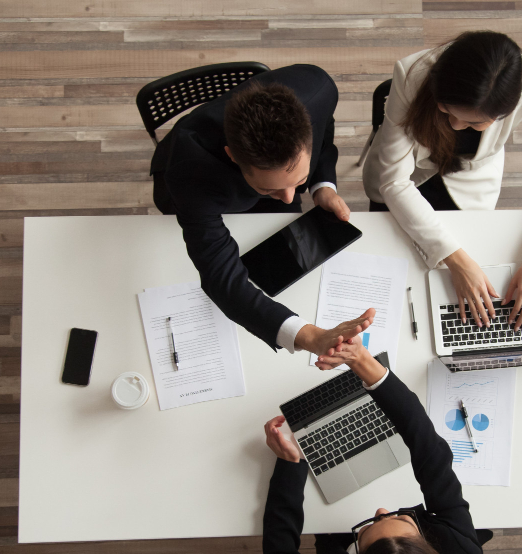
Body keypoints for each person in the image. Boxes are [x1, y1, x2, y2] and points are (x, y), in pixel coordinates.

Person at [260, 337, 492, 554]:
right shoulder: (460, 547)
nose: (381, 510)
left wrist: (291, 466)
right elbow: (430, 449)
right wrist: (365, 364)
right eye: (399, 520)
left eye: (368, 530)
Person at [363, 31, 522, 331]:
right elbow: (393, 182)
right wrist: (456, 260)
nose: (454, 125)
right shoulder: (411, 74)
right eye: (446, 110)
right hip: (405, 170)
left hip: (471, 175)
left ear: (508, 109)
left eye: (474, 123)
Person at [150, 64, 364, 365]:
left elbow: (324, 127)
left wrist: (320, 185)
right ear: (233, 156)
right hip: (203, 183)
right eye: (272, 190)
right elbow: (221, 278)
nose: (291, 199)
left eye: (297, 182)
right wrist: (309, 336)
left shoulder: (320, 87)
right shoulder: (189, 175)